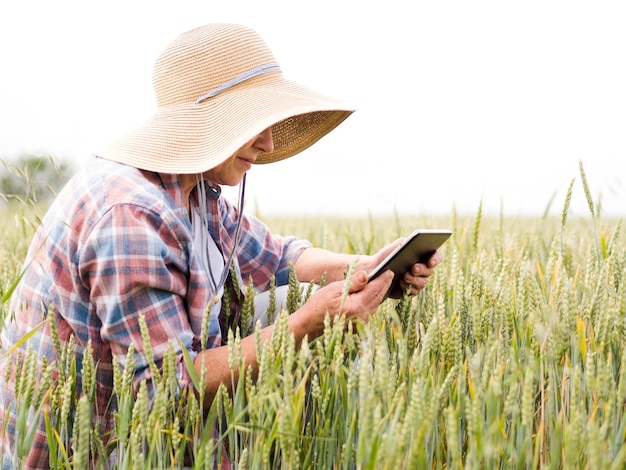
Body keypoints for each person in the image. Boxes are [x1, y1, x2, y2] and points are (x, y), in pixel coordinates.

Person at [0, 23, 442, 468]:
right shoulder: (132, 215)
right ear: (207, 122)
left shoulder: (192, 187)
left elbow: (278, 258)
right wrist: (306, 325)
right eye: (255, 124)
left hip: (133, 426)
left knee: (283, 300)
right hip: (89, 449)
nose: (268, 143)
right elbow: (163, 389)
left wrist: (373, 265)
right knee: (290, 315)